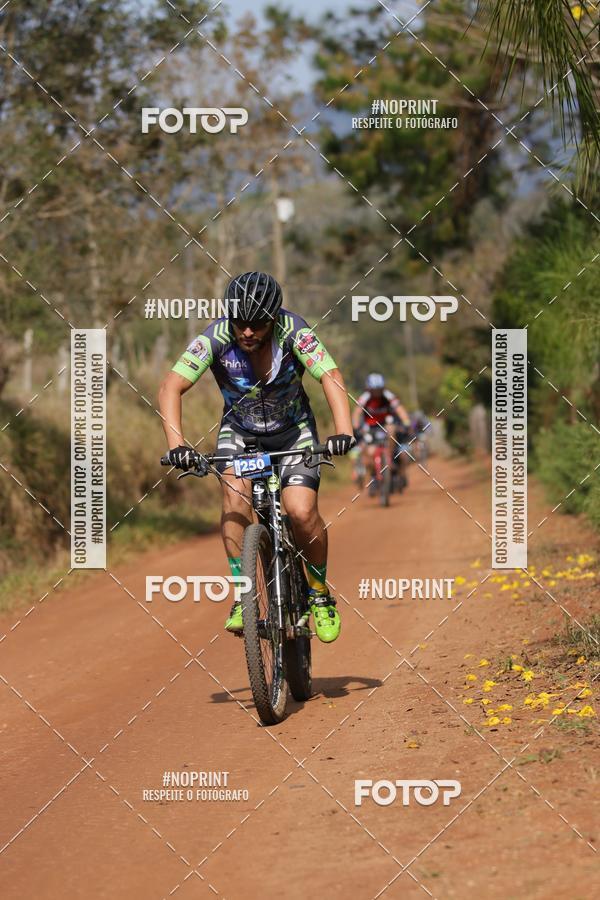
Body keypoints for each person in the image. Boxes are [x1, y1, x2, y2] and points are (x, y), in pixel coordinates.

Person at [158, 271, 355, 643]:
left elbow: (330, 375)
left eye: (257, 324)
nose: (247, 332)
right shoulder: (216, 337)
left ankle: (319, 593)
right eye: (240, 323)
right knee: (233, 497)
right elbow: (172, 386)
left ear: (274, 317)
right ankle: (243, 595)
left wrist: (343, 431)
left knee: (299, 510)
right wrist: (177, 444)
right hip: (242, 433)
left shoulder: (293, 330)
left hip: (293, 432)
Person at [352, 373, 412, 488]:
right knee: (369, 452)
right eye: (374, 390)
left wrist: (406, 423)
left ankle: (389, 458)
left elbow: (400, 410)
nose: (377, 392)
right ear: (369, 389)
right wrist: (356, 427)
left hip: (386, 425)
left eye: (379, 389)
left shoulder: (388, 396)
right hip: (370, 428)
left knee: (392, 431)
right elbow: (356, 413)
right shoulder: (365, 398)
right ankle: (374, 476)